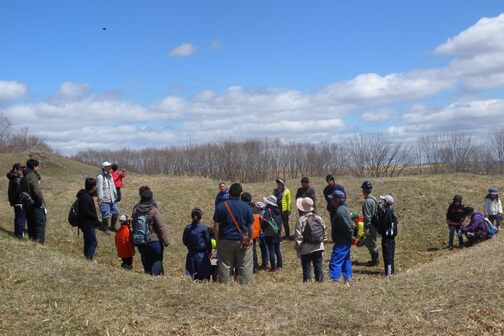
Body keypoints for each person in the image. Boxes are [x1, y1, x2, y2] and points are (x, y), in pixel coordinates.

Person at [213, 183, 254, 284]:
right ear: (240, 194)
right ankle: (245, 285)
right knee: (245, 265)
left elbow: (216, 226)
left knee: (225, 265)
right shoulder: (246, 207)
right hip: (242, 240)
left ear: (229, 193)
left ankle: (225, 286)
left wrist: (218, 241)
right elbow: (250, 226)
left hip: (225, 240)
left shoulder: (221, 206)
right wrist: (250, 238)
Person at [132, 186, 170, 276]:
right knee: (157, 259)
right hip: (154, 241)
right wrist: (166, 241)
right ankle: (154, 277)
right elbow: (161, 227)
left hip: (141, 241)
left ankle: (147, 275)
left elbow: (134, 224)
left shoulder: (136, 209)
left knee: (145, 258)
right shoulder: (153, 210)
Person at [294, 197, 327, 282]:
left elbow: (298, 236)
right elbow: (324, 232)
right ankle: (320, 282)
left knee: (306, 268)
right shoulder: (318, 218)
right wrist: (322, 244)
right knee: (318, 266)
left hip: (306, 249)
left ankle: (308, 283)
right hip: (319, 247)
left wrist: (298, 249)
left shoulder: (301, 220)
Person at [327, 190, 354, 282]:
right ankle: (348, 278)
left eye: (332, 199)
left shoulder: (340, 212)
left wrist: (351, 236)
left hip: (342, 241)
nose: (331, 201)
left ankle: (334, 280)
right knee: (346, 260)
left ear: (337, 200)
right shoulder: (344, 209)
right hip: (345, 241)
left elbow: (347, 226)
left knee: (335, 261)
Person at [21, 159, 47, 244]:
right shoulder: (32, 175)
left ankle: (32, 242)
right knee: (39, 225)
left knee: (31, 224)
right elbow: (36, 191)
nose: (38, 168)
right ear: (34, 167)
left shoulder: (25, 175)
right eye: (37, 166)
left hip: (28, 204)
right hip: (35, 205)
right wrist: (40, 202)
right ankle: (39, 245)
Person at [183, 208, 211, 280]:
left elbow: (184, 240)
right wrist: (209, 250)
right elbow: (208, 241)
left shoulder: (187, 228)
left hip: (191, 254)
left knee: (191, 274)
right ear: (200, 217)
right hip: (201, 255)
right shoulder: (204, 228)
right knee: (202, 275)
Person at [76, 178, 100, 260]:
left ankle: (86, 258)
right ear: (93, 186)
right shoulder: (85, 196)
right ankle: (88, 259)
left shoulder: (87, 194)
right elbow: (85, 210)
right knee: (93, 242)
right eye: (95, 186)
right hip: (87, 223)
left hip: (88, 223)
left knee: (88, 242)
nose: (96, 187)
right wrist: (94, 216)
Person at [377, 195, 398, 276]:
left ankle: (389, 273)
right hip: (388, 237)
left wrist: (379, 213)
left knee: (388, 254)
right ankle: (390, 271)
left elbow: (385, 223)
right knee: (388, 254)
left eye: (383, 200)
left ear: (387, 202)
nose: (382, 202)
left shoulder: (388, 211)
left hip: (388, 237)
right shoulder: (388, 210)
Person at [262, 195, 283, 272]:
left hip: (270, 233)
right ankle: (279, 266)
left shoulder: (268, 210)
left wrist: (263, 227)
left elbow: (265, 221)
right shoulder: (278, 210)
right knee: (277, 249)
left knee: (271, 249)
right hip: (278, 231)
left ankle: (273, 267)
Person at [360, 181, 380, 266]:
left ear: (364, 190)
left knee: (370, 242)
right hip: (374, 223)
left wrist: (367, 227)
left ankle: (375, 261)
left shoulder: (368, 201)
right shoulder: (374, 199)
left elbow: (367, 216)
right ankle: (375, 260)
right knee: (370, 242)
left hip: (370, 225)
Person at [96, 162, 119, 233]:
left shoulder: (110, 176)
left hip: (112, 199)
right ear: (104, 168)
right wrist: (100, 199)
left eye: (110, 167)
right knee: (106, 214)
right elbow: (99, 189)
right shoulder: (100, 177)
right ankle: (105, 228)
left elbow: (113, 187)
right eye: (109, 167)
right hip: (104, 200)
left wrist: (115, 196)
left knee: (116, 212)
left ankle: (112, 227)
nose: (110, 169)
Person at [7, 162, 26, 238]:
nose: (23, 170)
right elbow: (18, 193)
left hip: (16, 202)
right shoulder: (17, 179)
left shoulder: (12, 177)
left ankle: (17, 233)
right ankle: (19, 234)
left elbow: (10, 191)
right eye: (21, 169)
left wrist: (12, 201)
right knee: (20, 218)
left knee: (18, 217)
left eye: (23, 169)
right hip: (19, 202)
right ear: (15, 170)